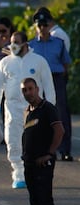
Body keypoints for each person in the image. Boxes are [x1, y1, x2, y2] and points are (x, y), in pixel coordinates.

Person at [0, 31, 56, 189]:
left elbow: (48, 85)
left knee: (35, 142)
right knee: (14, 141)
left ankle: (35, 172)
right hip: (12, 109)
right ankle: (18, 173)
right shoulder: (5, 62)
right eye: (11, 42)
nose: (12, 46)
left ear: (25, 43)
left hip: (35, 110)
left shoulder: (39, 61)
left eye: (16, 42)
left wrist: (50, 108)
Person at [21, 78, 64, 205]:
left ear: (37, 89)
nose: (28, 92)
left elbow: (59, 131)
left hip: (43, 164)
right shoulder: (28, 111)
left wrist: (49, 154)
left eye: (30, 88)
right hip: (30, 164)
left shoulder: (48, 109)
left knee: (44, 201)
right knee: (36, 202)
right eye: (24, 90)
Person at [29, 9, 73, 161]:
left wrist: (61, 77)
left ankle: (65, 149)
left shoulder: (58, 43)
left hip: (56, 78)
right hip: (38, 80)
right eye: (39, 25)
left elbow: (65, 63)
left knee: (60, 113)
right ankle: (42, 149)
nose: (42, 28)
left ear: (49, 25)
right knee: (38, 113)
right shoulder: (31, 45)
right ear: (36, 26)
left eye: (45, 24)